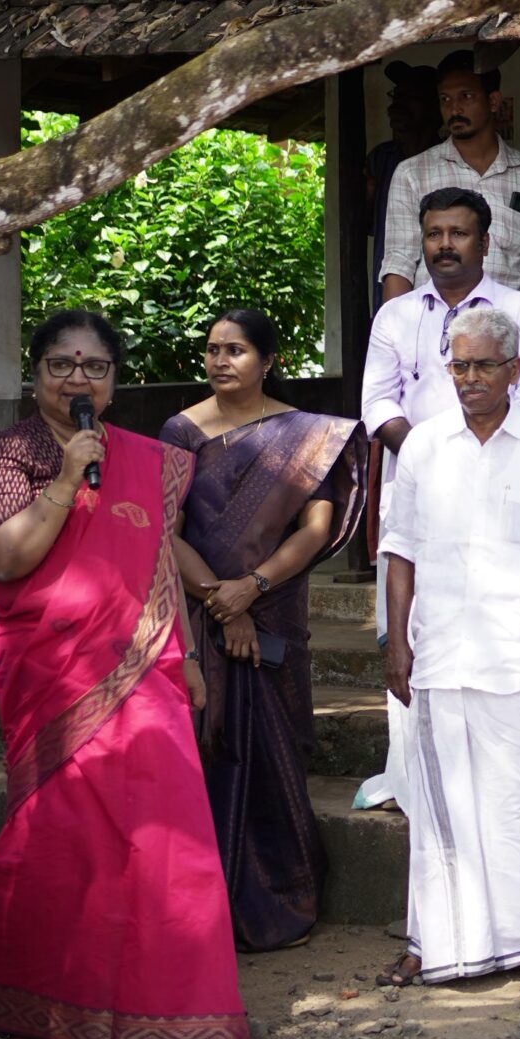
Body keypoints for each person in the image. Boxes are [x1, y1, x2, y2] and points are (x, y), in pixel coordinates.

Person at [0, 310, 250, 1039]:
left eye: (94, 366)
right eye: (62, 364)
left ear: (114, 381)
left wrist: (187, 656)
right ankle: (34, 1014)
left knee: (163, 838)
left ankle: (156, 1012)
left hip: (148, 667)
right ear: (36, 374)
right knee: (54, 843)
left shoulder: (145, 460)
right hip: (49, 677)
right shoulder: (7, 454)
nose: (78, 379)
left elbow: (157, 561)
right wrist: (66, 479)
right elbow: (3, 559)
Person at [375, 308, 520, 988]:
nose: (468, 378)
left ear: (514, 370)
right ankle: (434, 939)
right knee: (439, 809)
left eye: (482, 366)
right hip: (439, 652)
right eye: (458, 366)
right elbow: (399, 551)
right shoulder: (424, 446)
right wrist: (396, 643)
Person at [161, 310, 366, 952]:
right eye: (213, 350)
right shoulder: (181, 431)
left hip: (274, 607)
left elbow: (314, 528)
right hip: (201, 615)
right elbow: (165, 531)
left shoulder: (307, 436)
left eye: (237, 350)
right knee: (209, 742)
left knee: (274, 751)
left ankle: (280, 897)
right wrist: (222, 601)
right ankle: (200, 908)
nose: (221, 361)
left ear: (269, 361)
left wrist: (252, 588)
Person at [358, 186, 520, 811]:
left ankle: (500, 782)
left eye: (459, 233)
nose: (445, 245)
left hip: (501, 497)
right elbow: (376, 404)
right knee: (409, 636)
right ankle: (412, 781)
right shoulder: (395, 316)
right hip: (415, 499)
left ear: (486, 242)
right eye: (434, 234)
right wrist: (430, 455)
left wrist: (468, 456)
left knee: (496, 632)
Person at [379, 50, 520, 301]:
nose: (454, 109)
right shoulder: (412, 173)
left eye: (466, 96)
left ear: (493, 101)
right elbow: (399, 263)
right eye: (445, 99)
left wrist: (504, 305)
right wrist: (395, 323)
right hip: (434, 320)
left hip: (504, 322)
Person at [364, 60, 439, 306]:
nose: (396, 106)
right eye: (395, 97)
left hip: (437, 296)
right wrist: (367, 195)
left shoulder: (449, 160)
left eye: (410, 98)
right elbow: (363, 226)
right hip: (390, 296)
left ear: (434, 106)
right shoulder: (381, 160)